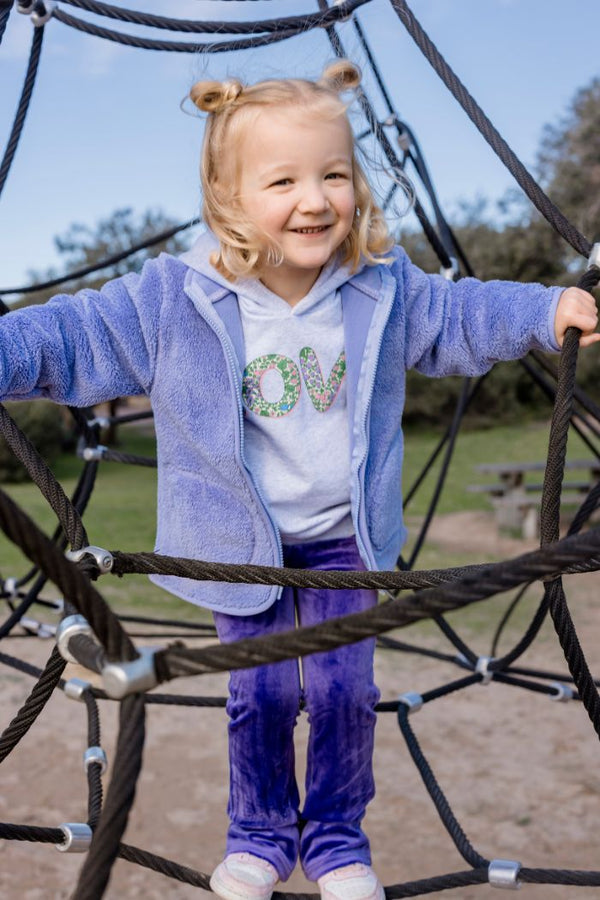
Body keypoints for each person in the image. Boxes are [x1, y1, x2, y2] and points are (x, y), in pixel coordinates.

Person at [1, 60, 598, 900]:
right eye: (282, 179)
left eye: (334, 175)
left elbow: (461, 317)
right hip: (240, 547)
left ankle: (338, 841)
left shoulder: (381, 290)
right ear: (229, 195)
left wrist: (544, 311)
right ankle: (258, 836)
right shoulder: (177, 300)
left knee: (348, 691)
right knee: (263, 697)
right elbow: (72, 339)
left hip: (343, 538)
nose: (314, 199)